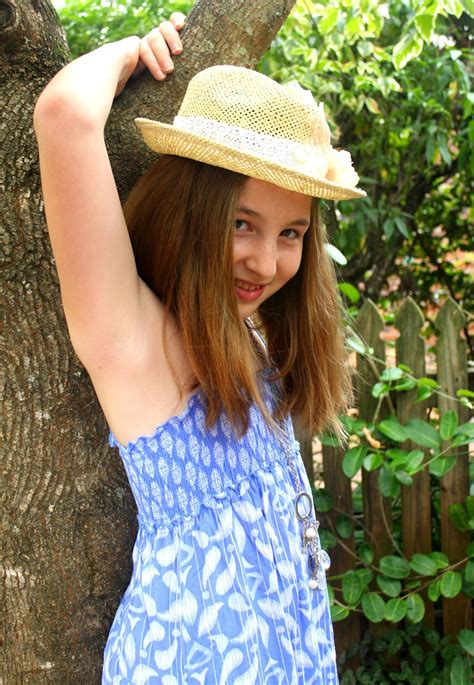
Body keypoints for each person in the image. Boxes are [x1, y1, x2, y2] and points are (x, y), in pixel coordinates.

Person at [34, 12, 365, 685]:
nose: (266, 261)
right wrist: (133, 52)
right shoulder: (139, 343)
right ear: (193, 207)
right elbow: (65, 115)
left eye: (291, 233)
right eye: (242, 223)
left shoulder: (245, 338)